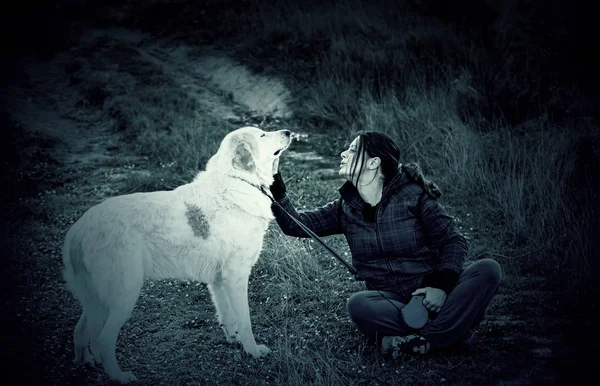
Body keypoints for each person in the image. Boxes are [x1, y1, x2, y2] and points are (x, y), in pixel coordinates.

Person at [268, 131, 503, 359]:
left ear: (373, 163)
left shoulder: (414, 196)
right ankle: (448, 334)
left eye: (352, 150)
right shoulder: (344, 208)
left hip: (434, 294)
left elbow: (453, 240)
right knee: (358, 305)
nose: (343, 153)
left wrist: (440, 286)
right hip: (392, 301)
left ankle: (423, 339)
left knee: (487, 269)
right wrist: (274, 184)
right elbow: (297, 225)